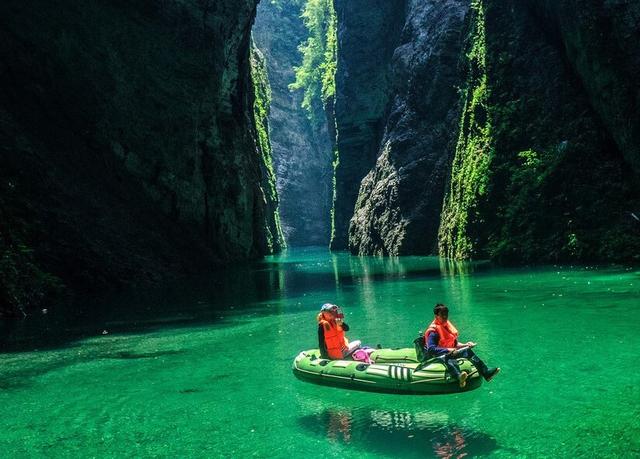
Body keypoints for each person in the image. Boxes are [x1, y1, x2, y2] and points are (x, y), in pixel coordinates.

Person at [422, 303, 500, 387]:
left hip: (451, 351)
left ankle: (486, 373)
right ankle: (459, 377)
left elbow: (454, 343)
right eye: (442, 315)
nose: (445, 317)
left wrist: (466, 345)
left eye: (446, 314)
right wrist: (449, 350)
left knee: (467, 351)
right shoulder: (433, 331)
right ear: (436, 316)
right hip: (439, 355)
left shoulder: (446, 326)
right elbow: (431, 349)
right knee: (448, 358)